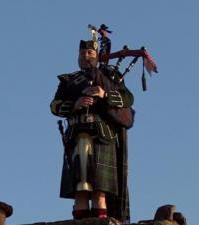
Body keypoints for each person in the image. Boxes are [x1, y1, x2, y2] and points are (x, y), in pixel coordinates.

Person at [50, 39, 134, 222]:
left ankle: (100, 221)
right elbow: (54, 106)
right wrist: (75, 105)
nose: (85, 56)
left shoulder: (110, 77)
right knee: (80, 189)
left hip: (102, 136)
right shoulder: (68, 81)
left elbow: (127, 99)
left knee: (99, 190)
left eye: (90, 53)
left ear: (97, 56)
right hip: (75, 136)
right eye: (82, 53)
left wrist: (104, 95)